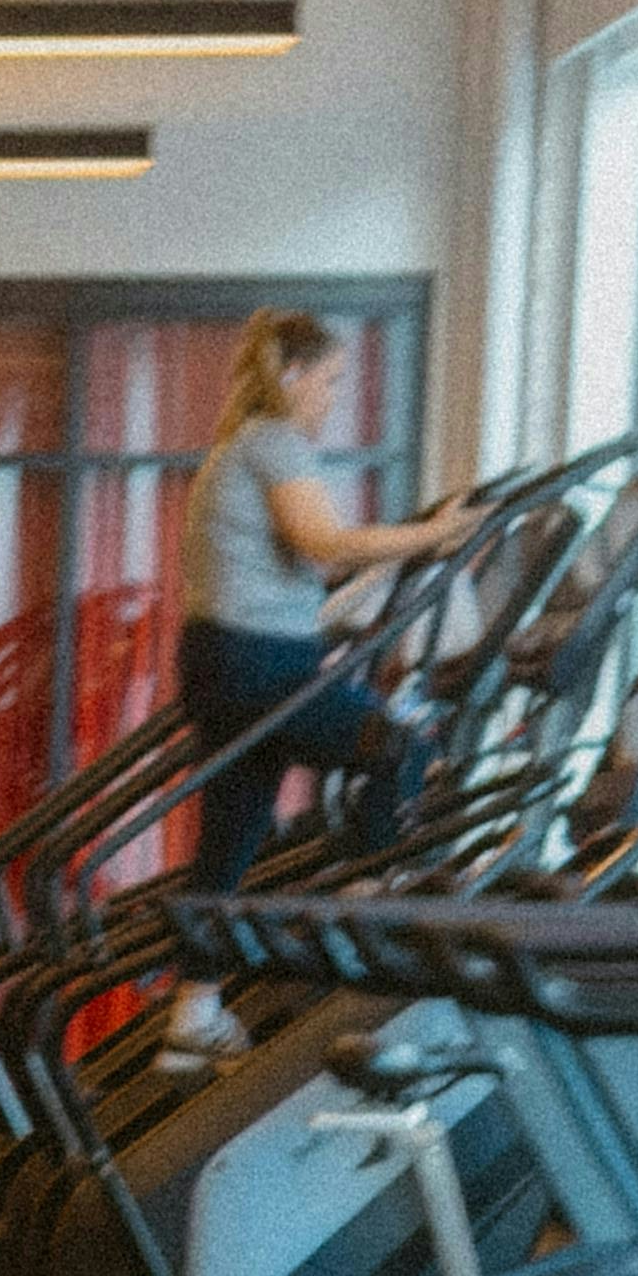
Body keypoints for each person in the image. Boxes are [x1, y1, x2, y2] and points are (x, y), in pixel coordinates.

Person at [179, 315, 479, 891]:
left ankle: (201, 954)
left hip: (225, 661)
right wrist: (436, 535)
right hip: (261, 668)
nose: (335, 396)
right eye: (331, 379)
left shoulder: (243, 445)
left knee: (231, 846)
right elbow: (325, 544)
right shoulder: (274, 442)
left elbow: (324, 560)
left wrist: (416, 540)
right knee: (404, 749)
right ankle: (369, 894)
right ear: (293, 375)